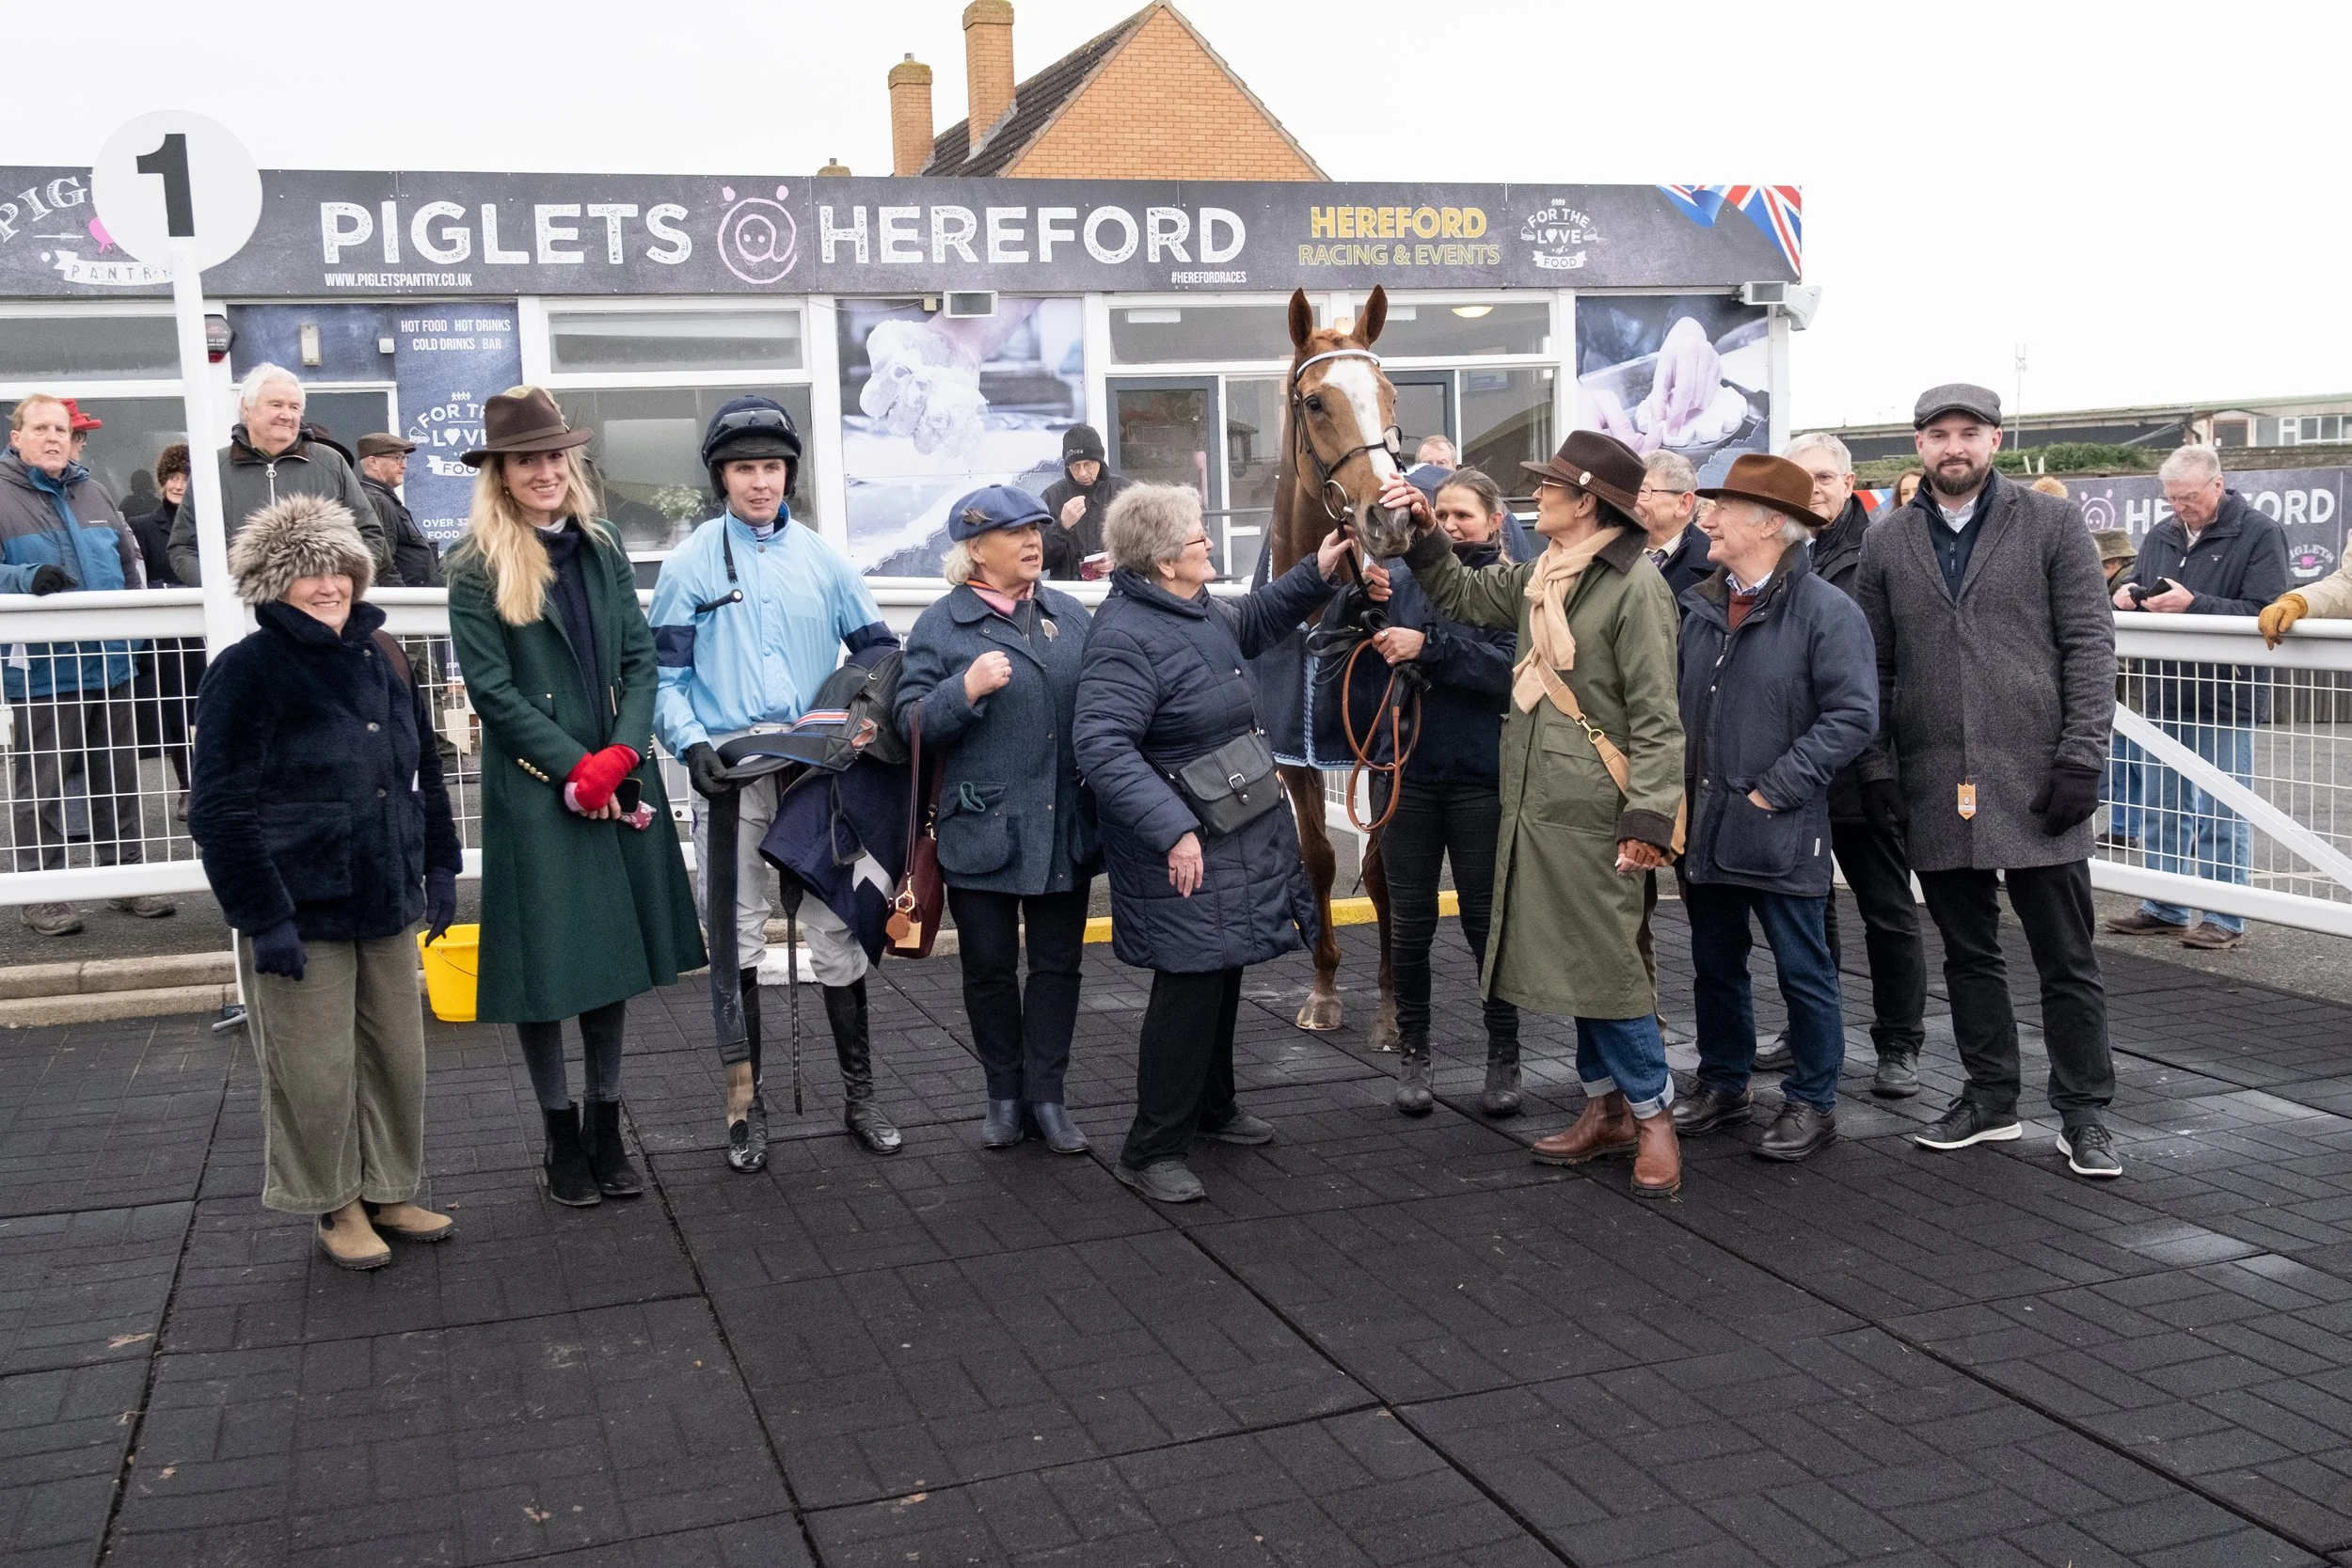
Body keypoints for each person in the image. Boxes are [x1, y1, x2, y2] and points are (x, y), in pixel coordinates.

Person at [1378, 432, 1687, 1199]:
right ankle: (1604, 1108)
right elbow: (1459, 593)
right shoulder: (1547, 573)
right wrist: (1420, 528)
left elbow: (1657, 719)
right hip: (1539, 806)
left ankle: (1654, 1118)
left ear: (1585, 501)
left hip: (1597, 815)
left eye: (1550, 485)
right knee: (1574, 964)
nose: (1536, 495)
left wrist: (1647, 820)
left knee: (1609, 970)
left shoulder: (1636, 587)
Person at [445, 387, 706, 1208]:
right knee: (546, 968)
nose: (544, 470)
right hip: (537, 791)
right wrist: (575, 768)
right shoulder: (476, 564)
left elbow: (638, 660)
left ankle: (605, 1125)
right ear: (501, 473)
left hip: (614, 774)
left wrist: (622, 752)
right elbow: (492, 691)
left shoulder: (600, 547)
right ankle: (560, 1135)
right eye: (527, 459)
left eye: (554, 456)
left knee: (610, 961)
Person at [1855, 384, 2122, 1180]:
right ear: (1919, 446)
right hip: (1935, 778)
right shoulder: (1888, 541)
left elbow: (2089, 642)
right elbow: (1873, 663)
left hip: (2039, 778)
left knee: (2066, 958)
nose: (1954, 447)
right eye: (1938, 434)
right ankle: (1990, 1097)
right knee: (1968, 955)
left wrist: (2082, 754)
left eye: (1968, 432)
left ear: (1997, 441)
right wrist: (1876, 766)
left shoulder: (2050, 523)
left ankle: (2085, 1114)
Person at [190, 494, 462, 1268]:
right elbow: (218, 807)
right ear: (273, 586)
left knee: (394, 1056)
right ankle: (332, 1203)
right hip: (298, 901)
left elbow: (424, 773)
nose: (328, 585)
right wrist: (260, 913)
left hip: (384, 891)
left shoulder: (387, 655)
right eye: (307, 573)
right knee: (314, 1067)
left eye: (338, 568)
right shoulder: (245, 671)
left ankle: (388, 1187)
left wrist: (441, 864)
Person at [1073, 483, 1349, 1204]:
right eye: (1198, 537)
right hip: (1186, 840)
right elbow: (1101, 746)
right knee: (1190, 984)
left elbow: (1253, 620)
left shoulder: (1190, 608)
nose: (1208, 544)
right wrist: (1173, 829)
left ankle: (1212, 1107)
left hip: (1226, 827)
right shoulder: (1128, 634)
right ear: (1164, 560)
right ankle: (1151, 1145)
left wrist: (1316, 570)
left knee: (1221, 967)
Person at [649, 394, 904, 1168]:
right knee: (734, 937)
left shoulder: (824, 559)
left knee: (837, 931)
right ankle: (743, 1107)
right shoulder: (691, 561)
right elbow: (664, 678)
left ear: (788, 474)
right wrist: (691, 744)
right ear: (721, 477)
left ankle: (861, 1096)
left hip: (815, 775)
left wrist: (852, 724)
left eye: (771, 468)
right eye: (743, 469)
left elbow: (879, 654)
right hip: (729, 775)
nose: (759, 483)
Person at [1667, 454, 1877, 1161]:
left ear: (1768, 523)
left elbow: (1852, 716)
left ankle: (1813, 1102)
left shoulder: (1828, 612)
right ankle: (1725, 1084)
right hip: (1706, 825)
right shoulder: (1700, 606)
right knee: (1713, 964)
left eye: (1722, 506)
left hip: (1779, 826)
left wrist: (1774, 788)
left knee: (1802, 970)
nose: (1709, 516)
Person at [895, 485, 1095, 1153]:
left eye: (1037, 528)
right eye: (1016, 532)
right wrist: (965, 689)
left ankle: (1048, 1095)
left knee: (1058, 966)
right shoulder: (940, 626)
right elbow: (910, 724)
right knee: (987, 967)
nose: (1034, 540)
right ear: (977, 550)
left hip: (1060, 824)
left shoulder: (1069, 614)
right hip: (980, 829)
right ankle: (1003, 1095)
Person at [1355, 467, 1522, 1117]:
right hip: (1407, 775)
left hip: (1482, 777)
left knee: (1488, 926)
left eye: (1463, 515)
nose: (1451, 525)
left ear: (1494, 521)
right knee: (1411, 924)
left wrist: (1430, 649)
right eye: (1443, 514)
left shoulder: (1509, 586)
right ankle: (1415, 1051)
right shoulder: (1400, 579)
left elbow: (1507, 670)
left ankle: (1503, 1054)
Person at [1786, 433, 1929, 1097]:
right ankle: (1812, 1031)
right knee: (1807, 911)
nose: (1812, 487)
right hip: (1798, 763)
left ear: (1849, 482)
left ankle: (1900, 1041)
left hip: (1865, 761)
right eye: (1799, 477)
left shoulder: (1880, 551)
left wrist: (1881, 764)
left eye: (1823, 476)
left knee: (1887, 910)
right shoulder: (1781, 549)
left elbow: (1892, 662)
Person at [2102, 444, 2288, 950]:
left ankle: (2226, 916)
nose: (2179, 507)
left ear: (2217, 485)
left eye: (2187, 498)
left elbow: (2267, 610)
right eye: (2171, 499)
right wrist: (2125, 596)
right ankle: (2164, 905)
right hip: (2163, 691)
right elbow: (2144, 585)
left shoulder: (2260, 532)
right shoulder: (2162, 533)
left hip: (2227, 696)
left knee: (2222, 810)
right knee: (2163, 807)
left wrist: (2194, 604)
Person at [0, 394, 174, 934]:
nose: (54, 437)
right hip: (45, 670)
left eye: (62, 428)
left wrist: (136, 639)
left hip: (111, 664)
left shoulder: (93, 490)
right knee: (42, 784)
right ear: (16, 437)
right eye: (42, 428)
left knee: (118, 778)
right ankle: (43, 889)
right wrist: (25, 579)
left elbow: (130, 566)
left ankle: (123, 877)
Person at [167, 364, 390, 586]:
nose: (287, 415)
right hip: (239, 611)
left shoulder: (330, 463)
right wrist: (223, 591)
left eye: (294, 407)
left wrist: (340, 586)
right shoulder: (213, 468)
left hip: (316, 610)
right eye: (276, 405)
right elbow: (183, 547)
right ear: (246, 408)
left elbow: (370, 533)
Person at [124, 443, 206, 820]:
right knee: (178, 711)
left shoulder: (213, 524)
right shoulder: (141, 525)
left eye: (186, 478)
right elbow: (138, 580)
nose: (179, 484)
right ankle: (188, 786)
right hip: (171, 638)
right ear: (161, 482)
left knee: (216, 708)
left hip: (211, 629)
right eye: (172, 477)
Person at [1040, 424, 1133, 580]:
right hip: (1069, 593)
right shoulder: (1052, 496)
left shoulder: (1126, 492)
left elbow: (1150, 549)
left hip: (1119, 592)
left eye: (1088, 464)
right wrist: (1062, 526)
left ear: (1099, 460)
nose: (1082, 472)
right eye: (1075, 466)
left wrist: (1119, 560)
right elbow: (1038, 560)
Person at [357, 433, 445, 589]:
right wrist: (401, 603)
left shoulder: (383, 498)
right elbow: (384, 563)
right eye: (397, 458)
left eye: (404, 458)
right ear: (373, 462)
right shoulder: (376, 500)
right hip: (406, 603)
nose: (404, 465)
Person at [1633, 451, 1711, 604]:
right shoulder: (1605, 553)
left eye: (1642, 491)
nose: (1631, 501)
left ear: (1683, 504)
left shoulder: (1716, 566)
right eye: (1628, 491)